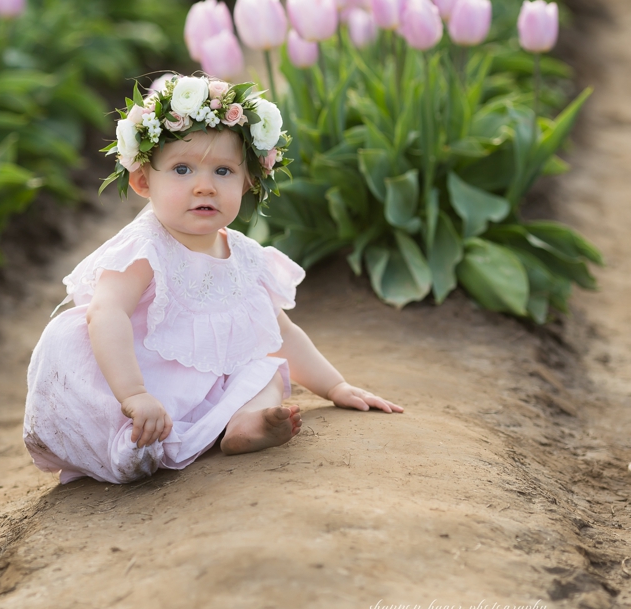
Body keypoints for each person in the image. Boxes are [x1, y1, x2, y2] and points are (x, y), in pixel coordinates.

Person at [23, 72, 402, 487]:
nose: (204, 187)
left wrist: (336, 386)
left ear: (250, 180)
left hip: (201, 388)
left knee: (267, 369)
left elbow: (280, 331)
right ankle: (160, 429)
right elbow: (106, 313)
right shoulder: (144, 248)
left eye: (223, 171)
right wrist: (133, 395)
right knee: (145, 424)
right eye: (182, 169)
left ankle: (245, 423)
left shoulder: (244, 256)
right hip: (136, 389)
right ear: (143, 181)